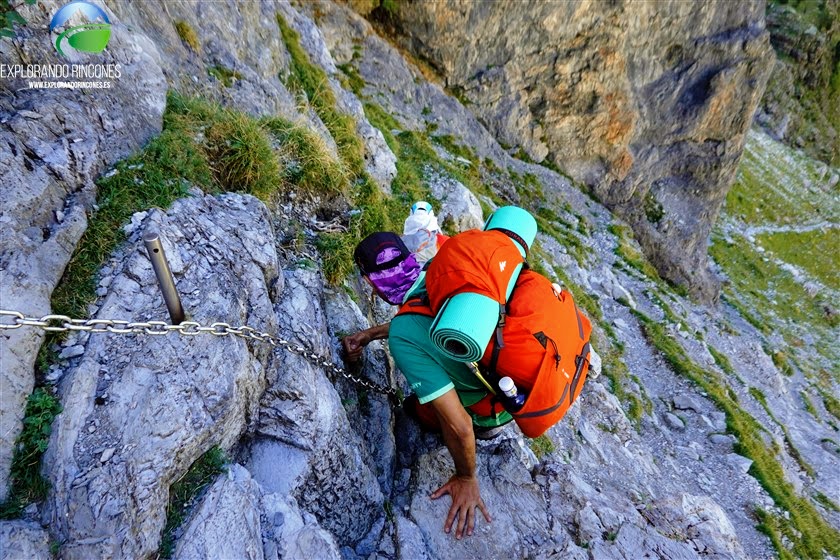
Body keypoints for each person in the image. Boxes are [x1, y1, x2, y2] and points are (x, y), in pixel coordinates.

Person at [343, 231, 510, 540]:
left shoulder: (402, 339)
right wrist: (369, 334)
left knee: (417, 408)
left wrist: (467, 478)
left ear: (369, 283)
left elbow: (459, 426)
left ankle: (485, 428)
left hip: (487, 413)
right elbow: (421, 315)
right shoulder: (439, 271)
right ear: (411, 257)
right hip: (512, 384)